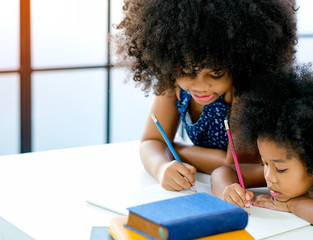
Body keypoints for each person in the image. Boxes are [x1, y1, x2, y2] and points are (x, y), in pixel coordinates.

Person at [113, 0, 297, 191]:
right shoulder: (174, 87)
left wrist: (174, 149)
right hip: (205, 184)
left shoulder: (244, 93)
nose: (200, 86)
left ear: (239, 66)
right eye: (186, 71)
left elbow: (235, 165)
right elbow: (150, 142)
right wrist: (162, 167)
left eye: (216, 74)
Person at [211, 65, 313, 233]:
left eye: (280, 169)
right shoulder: (284, 171)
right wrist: (227, 190)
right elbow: (222, 172)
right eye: (265, 163)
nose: (268, 177)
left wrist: (290, 204)